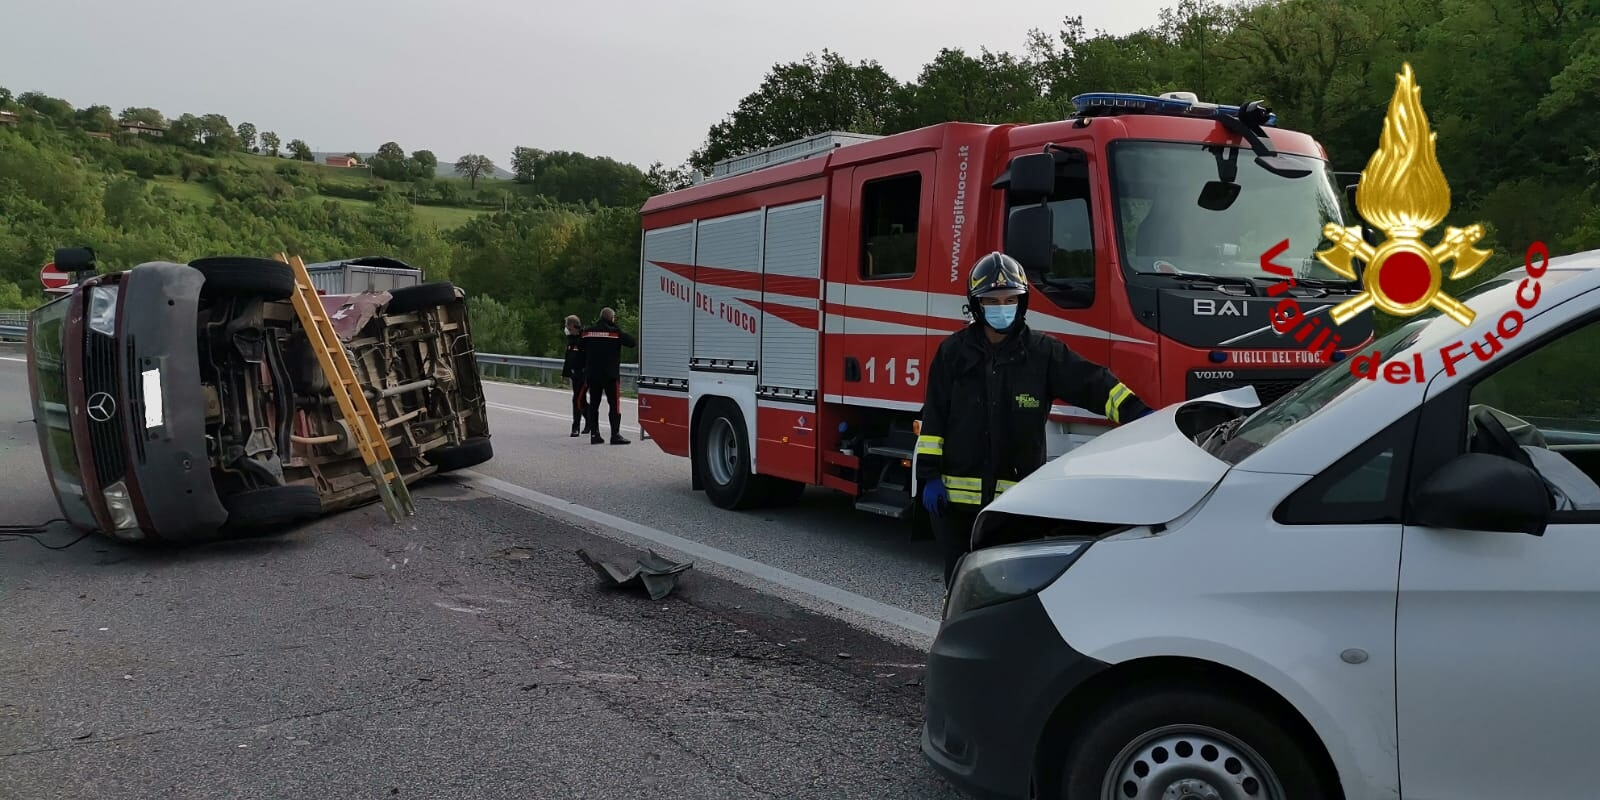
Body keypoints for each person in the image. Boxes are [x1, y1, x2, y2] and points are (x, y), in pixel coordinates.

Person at [914, 251, 1154, 586]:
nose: (1001, 307)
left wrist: (1139, 414)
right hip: (956, 507)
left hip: (1015, 506)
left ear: (1022, 302)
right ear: (976, 305)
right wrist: (928, 477)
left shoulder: (1043, 353)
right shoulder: (952, 353)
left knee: (1010, 587)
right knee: (960, 584)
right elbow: (934, 418)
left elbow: (1094, 384)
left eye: (1009, 299)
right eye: (991, 301)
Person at [582, 306, 637, 445]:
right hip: (610, 375)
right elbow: (632, 342)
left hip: (593, 374)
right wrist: (616, 327)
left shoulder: (588, 332)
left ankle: (594, 434)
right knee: (614, 405)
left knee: (594, 405)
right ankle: (615, 434)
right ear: (612, 318)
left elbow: (580, 346)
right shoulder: (615, 333)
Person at [561, 314, 589, 437]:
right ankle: (590, 420)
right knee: (581, 400)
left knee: (577, 399)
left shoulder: (584, 338)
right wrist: (565, 374)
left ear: (573, 325)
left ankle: (575, 427)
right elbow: (568, 358)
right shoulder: (570, 340)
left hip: (584, 374)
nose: (567, 329)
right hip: (574, 374)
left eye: (568, 327)